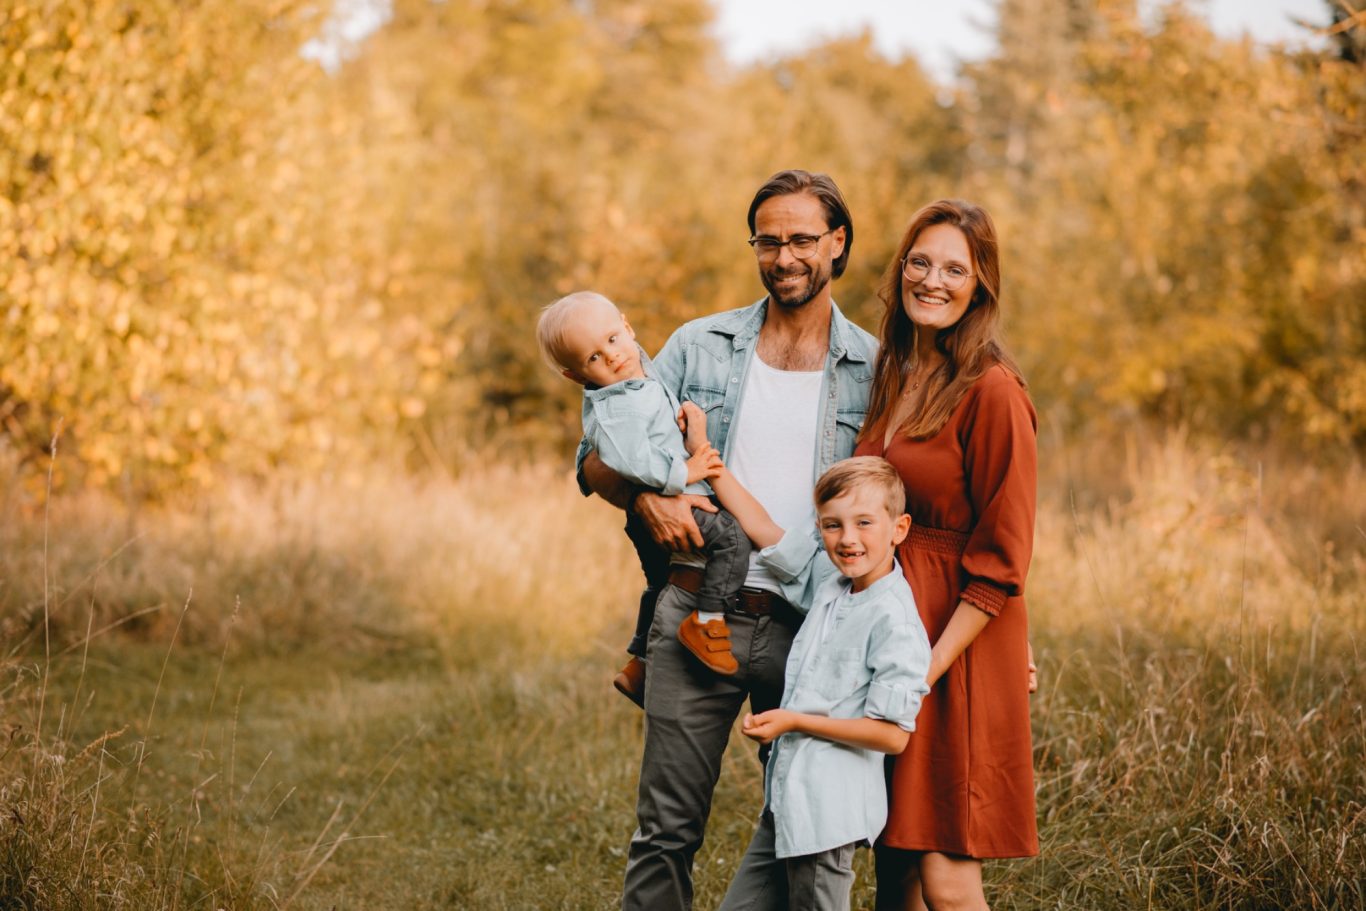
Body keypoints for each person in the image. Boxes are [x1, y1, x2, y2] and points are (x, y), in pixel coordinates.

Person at [576, 169, 878, 911]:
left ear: (838, 243)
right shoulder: (698, 345)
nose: (784, 257)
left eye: (802, 239)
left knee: (806, 830)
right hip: (695, 613)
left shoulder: (875, 368)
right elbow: (591, 458)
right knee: (666, 831)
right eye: (767, 241)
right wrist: (645, 495)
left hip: (811, 627)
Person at [854, 199, 1039, 910]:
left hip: (950, 650)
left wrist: (923, 670)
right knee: (895, 859)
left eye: (955, 269)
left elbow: (1004, 552)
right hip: (891, 631)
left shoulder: (993, 390)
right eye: (921, 262)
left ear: (981, 284)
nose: (932, 280)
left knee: (946, 868)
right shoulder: (895, 373)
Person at [703, 454, 931, 911]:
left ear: (899, 528)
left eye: (864, 523)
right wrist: (714, 469)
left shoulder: (896, 622)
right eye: (832, 525)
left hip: (827, 812)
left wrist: (794, 721)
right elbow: (763, 528)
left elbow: (892, 735)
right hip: (787, 801)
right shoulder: (831, 584)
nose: (847, 539)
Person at [536, 290, 748, 698]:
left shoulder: (637, 374)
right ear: (576, 376)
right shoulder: (618, 406)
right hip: (669, 503)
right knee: (733, 540)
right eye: (594, 357)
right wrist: (687, 470)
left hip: (648, 516)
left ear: (627, 327)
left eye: (613, 339)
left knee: (661, 585)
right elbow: (632, 462)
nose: (612, 356)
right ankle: (707, 623)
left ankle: (642, 664)